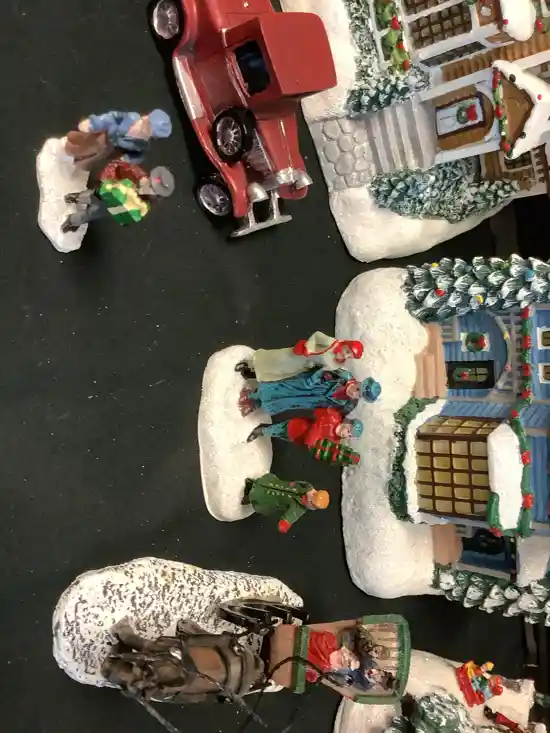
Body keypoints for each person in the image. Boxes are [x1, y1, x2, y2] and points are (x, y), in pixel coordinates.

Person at [61, 160, 175, 233]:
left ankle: (72, 221)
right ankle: (75, 198)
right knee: (90, 196)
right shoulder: (133, 172)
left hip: (112, 207)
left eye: (152, 189)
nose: (146, 187)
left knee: (91, 214)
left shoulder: (144, 205)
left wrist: (124, 218)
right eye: (148, 182)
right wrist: (104, 180)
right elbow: (116, 165)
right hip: (106, 191)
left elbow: (132, 213)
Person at [239, 367, 380, 418]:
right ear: (359, 383)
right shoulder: (344, 376)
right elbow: (325, 369)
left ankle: (257, 404)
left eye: (359, 395)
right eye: (358, 389)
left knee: (285, 403)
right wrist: (313, 380)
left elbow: (336, 415)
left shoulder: (349, 404)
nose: (355, 393)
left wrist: (324, 413)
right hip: (309, 385)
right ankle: (252, 395)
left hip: (312, 401)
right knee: (282, 388)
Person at [65, 109, 172, 170]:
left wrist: (128, 160)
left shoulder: (142, 144)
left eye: (150, 133)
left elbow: (138, 155)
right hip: (104, 137)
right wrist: (94, 123)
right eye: (147, 127)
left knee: (93, 159)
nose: (146, 133)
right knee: (86, 145)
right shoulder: (130, 118)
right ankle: (68, 148)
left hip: (111, 148)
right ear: (145, 118)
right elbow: (111, 118)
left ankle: (78, 165)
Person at [235, 332, 364, 383]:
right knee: (275, 359)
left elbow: (323, 370)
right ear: (345, 345)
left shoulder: (337, 364)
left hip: (302, 367)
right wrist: (309, 347)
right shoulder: (331, 343)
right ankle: (250, 363)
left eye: (350, 356)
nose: (346, 355)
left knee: (280, 372)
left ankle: (253, 374)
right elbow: (317, 336)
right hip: (297, 356)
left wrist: (316, 371)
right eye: (347, 351)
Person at [241, 473, 329, 534]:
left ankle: (249, 497)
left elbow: (292, 515)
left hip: (272, 499)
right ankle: (253, 483)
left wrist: (285, 523)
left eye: (311, 502)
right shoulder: (307, 488)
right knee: (266, 484)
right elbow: (303, 483)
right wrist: (293, 484)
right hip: (277, 485)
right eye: (313, 495)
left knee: (260, 497)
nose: (309, 498)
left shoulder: (298, 508)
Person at [247, 406, 363, 447]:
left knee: (280, 434)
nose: (346, 435)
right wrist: (312, 437)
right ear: (347, 423)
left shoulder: (335, 440)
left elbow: (322, 447)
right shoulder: (333, 416)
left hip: (298, 438)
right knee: (278, 429)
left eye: (349, 435)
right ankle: (261, 431)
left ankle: (266, 429)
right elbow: (316, 415)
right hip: (297, 426)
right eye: (349, 430)